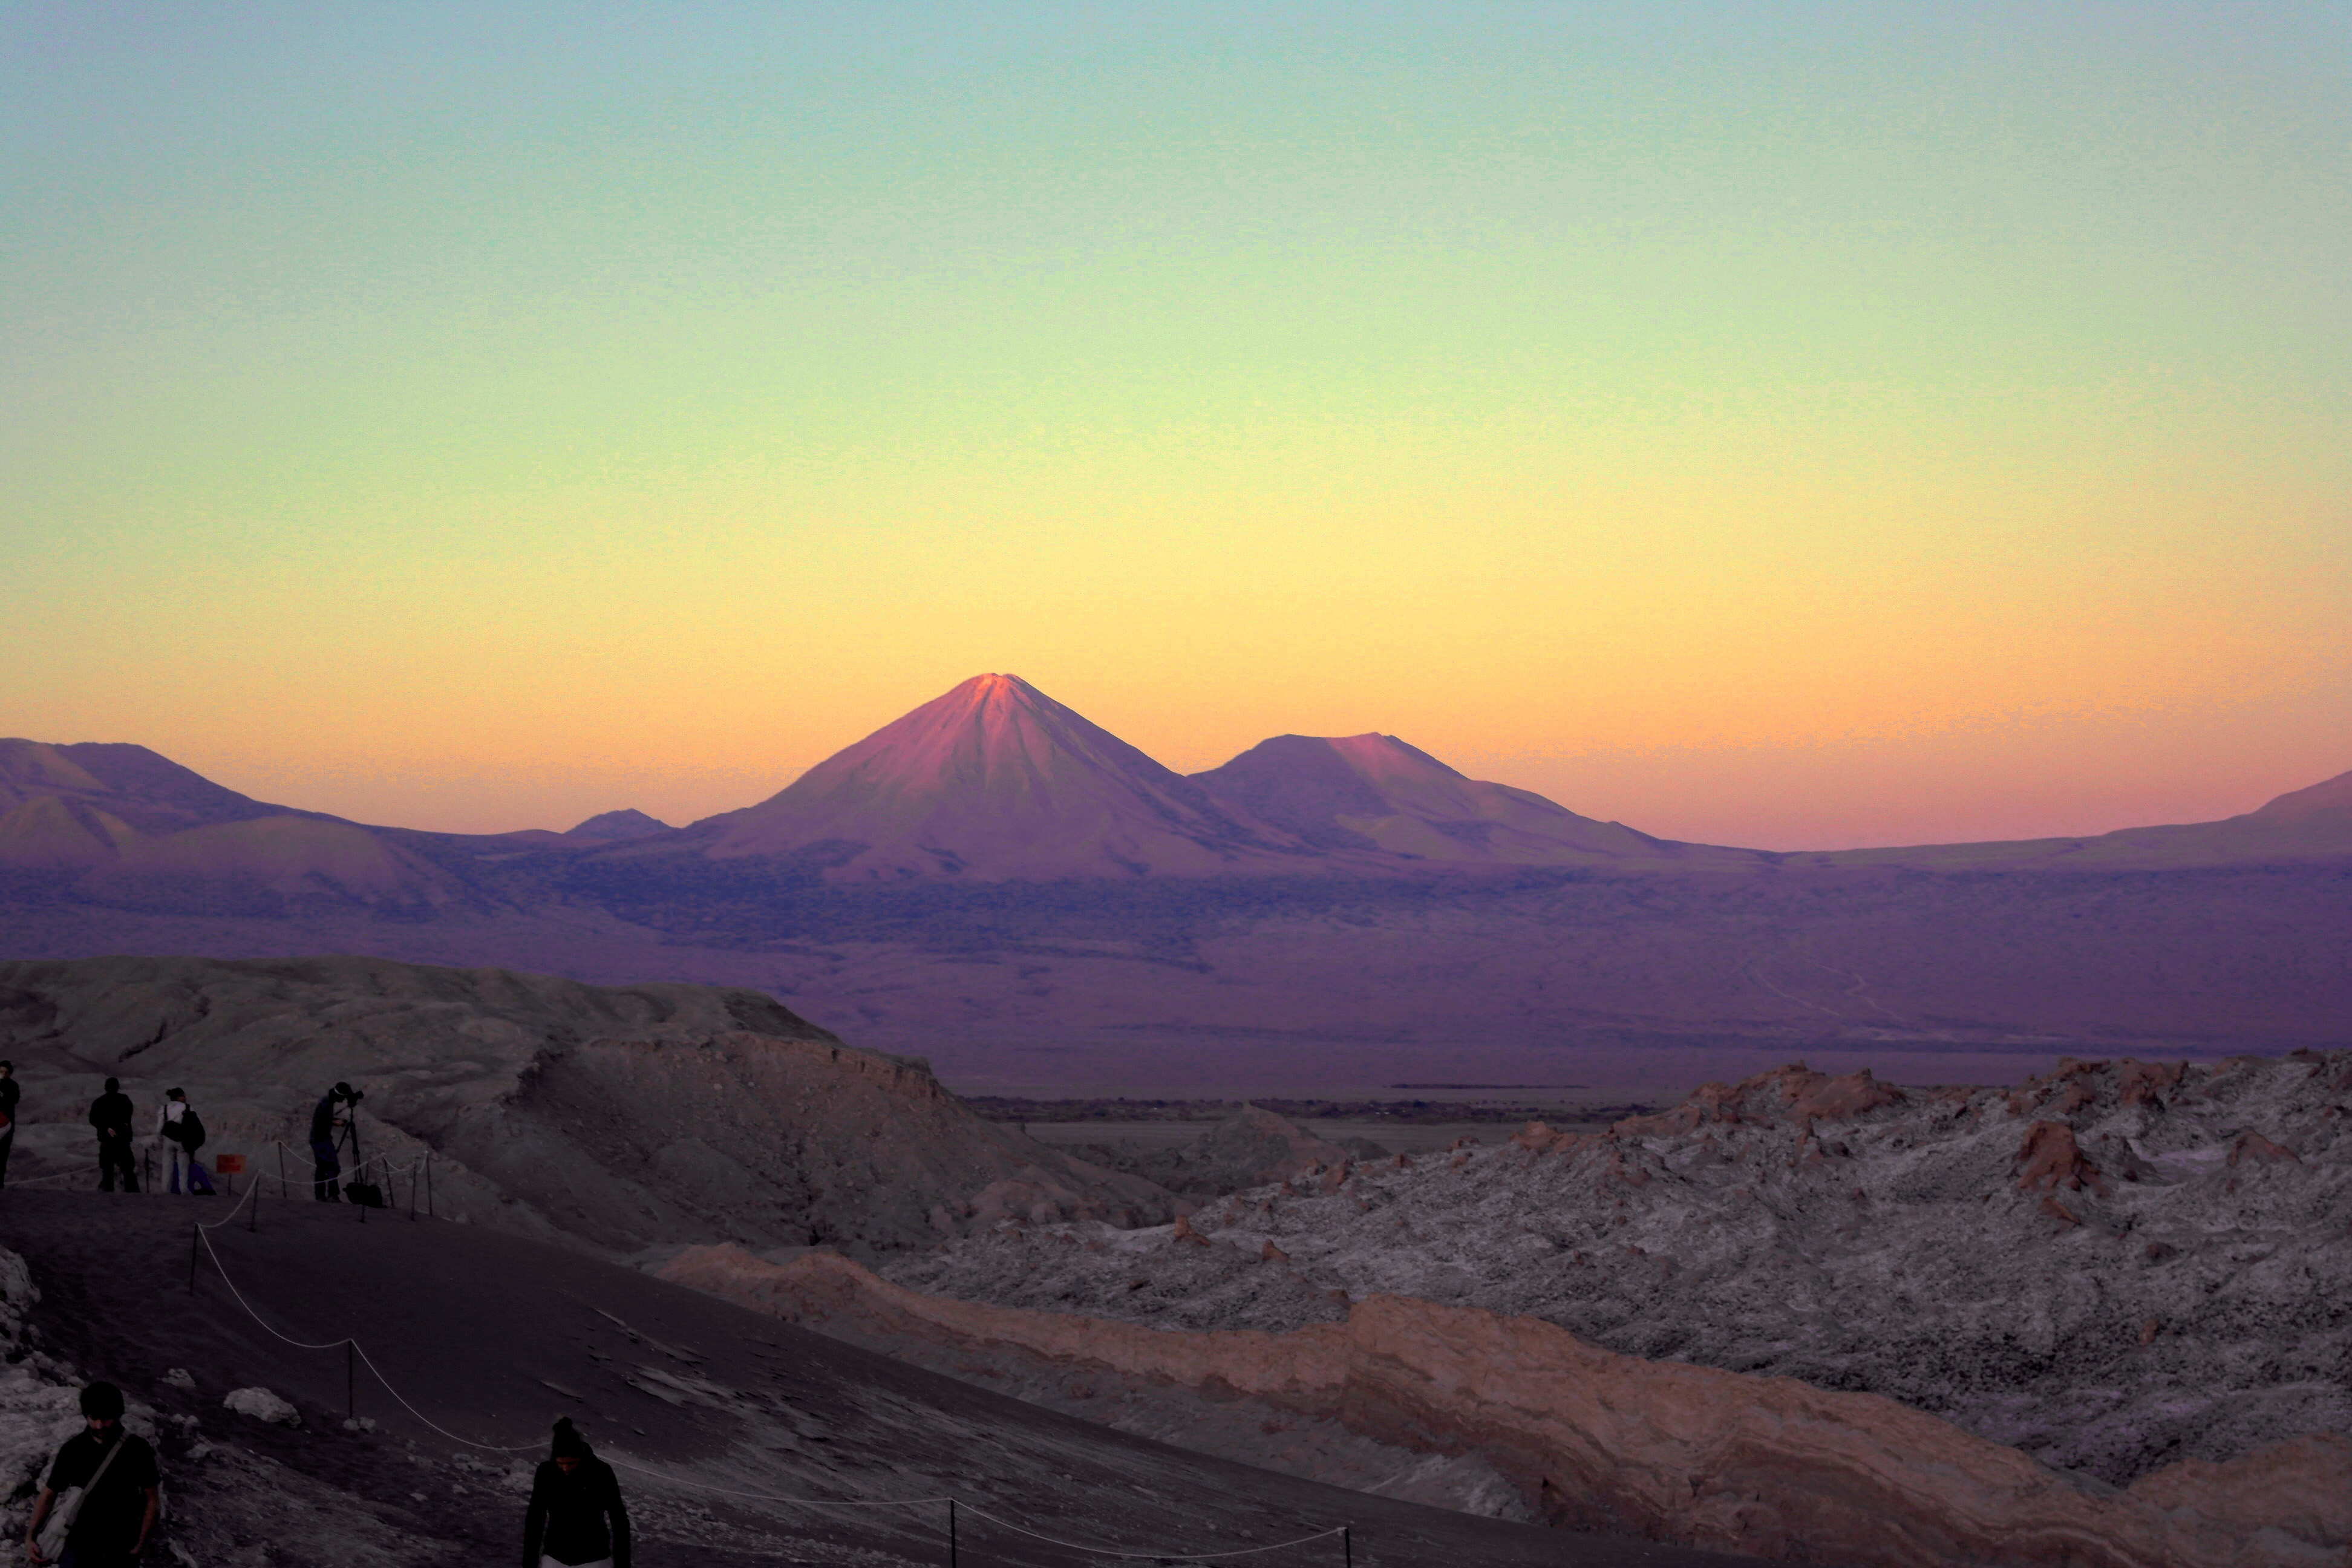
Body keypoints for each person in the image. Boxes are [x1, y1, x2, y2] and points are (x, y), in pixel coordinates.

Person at [24, 1381, 159, 1567]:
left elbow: (151, 1499)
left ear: (118, 1414)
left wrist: (139, 1545)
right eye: (93, 1418)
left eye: (106, 1418)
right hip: (78, 1544)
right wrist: (30, 1537)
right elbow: (49, 1494)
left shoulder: (138, 1450)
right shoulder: (73, 1450)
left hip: (120, 1547)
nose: (99, 1425)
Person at [521, 1419, 630, 1568]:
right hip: (555, 1557)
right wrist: (529, 1562)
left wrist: (623, 1564)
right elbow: (535, 1518)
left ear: (581, 1455)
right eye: (560, 1463)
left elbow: (619, 1520)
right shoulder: (546, 1472)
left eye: (571, 1463)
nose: (565, 1468)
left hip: (594, 1559)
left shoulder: (601, 1472)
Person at [309, 1082, 358, 1202]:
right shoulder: (327, 1104)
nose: (343, 1100)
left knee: (322, 1167)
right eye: (343, 1097)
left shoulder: (326, 1102)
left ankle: (321, 1196)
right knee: (332, 1166)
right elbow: (323, 1120)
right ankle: (332, 1195)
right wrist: (337, 1122)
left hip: (318, 1139)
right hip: (321, 1140)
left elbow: (323, 1119)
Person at [87, 1080, 137, 1195]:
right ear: (118, 1087)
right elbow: (127, 1116)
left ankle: (108, 1192)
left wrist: (106, 1128)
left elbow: (93, 1119)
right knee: (128, 1169)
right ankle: (132, 1192)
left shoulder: (99, 1102)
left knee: (107, 1169)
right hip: (122, 1139)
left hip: (107, 1140)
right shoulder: (124, 1100)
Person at [154, 1089, 204, 1197]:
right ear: (179, 1097)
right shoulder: (187, 1108)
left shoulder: (165, 1108)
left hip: (168, 1139)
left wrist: (160, 1137)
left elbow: (160, 1126)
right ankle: (184, 1190)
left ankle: (165, 1190)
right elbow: (196, 1124)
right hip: (182, 1139)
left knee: (167, 1165)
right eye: (183, 1096)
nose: (185, 1097)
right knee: (183, 1166)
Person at [0, 1060, 19, 1189]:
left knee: (3, 1154)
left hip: (6, 1125)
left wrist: (3, 1096)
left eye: (6, 1072)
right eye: (1, 1072)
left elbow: (15, 1100)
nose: (3, 1074)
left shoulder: (13, 1085)